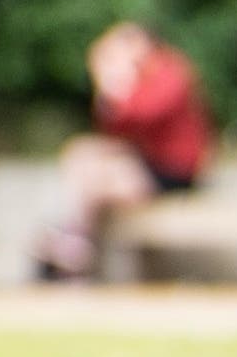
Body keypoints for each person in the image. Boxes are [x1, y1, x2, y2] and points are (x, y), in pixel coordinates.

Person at [46, 17, 215, 277]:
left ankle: (74, 240)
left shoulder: (169, 72)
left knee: (99, 185)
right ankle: (73, 237)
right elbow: (116, 132)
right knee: (82, 153)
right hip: (145, 162)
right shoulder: (139, 77)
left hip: (174, 170)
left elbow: (145, 115)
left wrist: (114, 86)